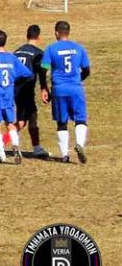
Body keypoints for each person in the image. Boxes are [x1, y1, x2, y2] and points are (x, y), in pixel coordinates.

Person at [41, 21, 92, 164]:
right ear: (68, 32)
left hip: (59, 89)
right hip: (75, 88)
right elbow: (87, 70)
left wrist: (44, 88)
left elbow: (43, 69)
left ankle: (64, 154)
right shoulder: (79, 48)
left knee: (61, 122)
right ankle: (80, 144)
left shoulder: (51, 49)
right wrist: (77, 80)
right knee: (80, 119)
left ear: (57, 33)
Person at [0, 30, 33, 164]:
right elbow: (27, 73)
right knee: (10, 123)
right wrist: (13, 78)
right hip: (8, 93)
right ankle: (15, 146)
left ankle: (2, 155)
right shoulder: (12, 57)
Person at [13, 25, 50, 158]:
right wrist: (44, 88)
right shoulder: (39, 53)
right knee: (32, 116)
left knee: (22, 120)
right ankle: (37, 148)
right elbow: (42, 72)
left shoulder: (17, 51)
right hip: (26, 89)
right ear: (39, 37)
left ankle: (2, 141)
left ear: (27, 35)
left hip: (14, 89)